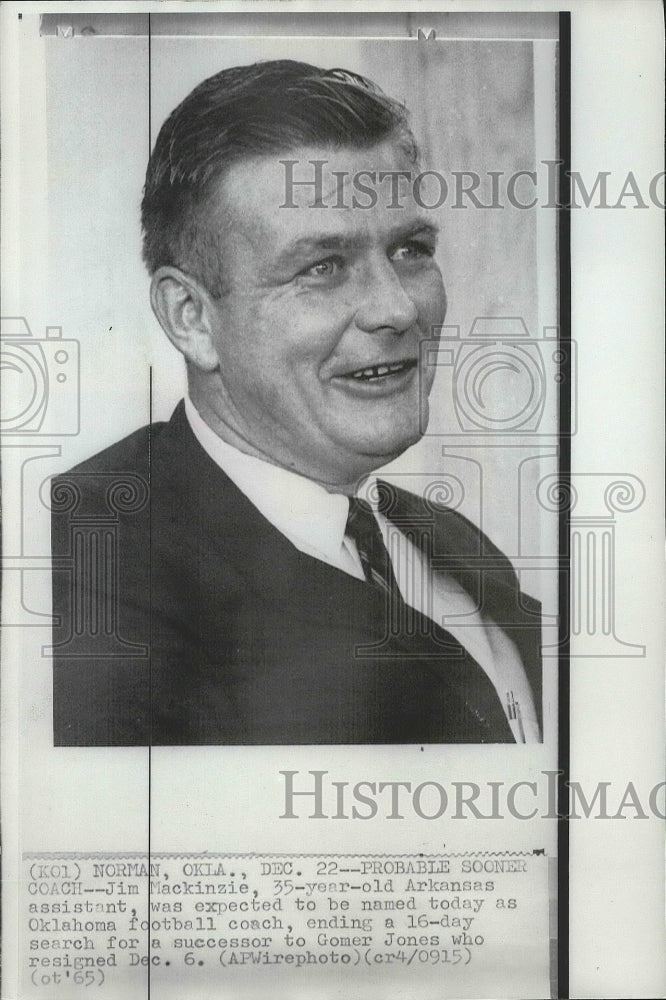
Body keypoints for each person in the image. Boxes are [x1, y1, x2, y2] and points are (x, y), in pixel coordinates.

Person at [51, 60, 542, 746]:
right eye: (321, 268)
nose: (397, 308)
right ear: (191, 316)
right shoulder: (80, 572)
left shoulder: (452, 545)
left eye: (410, 249)